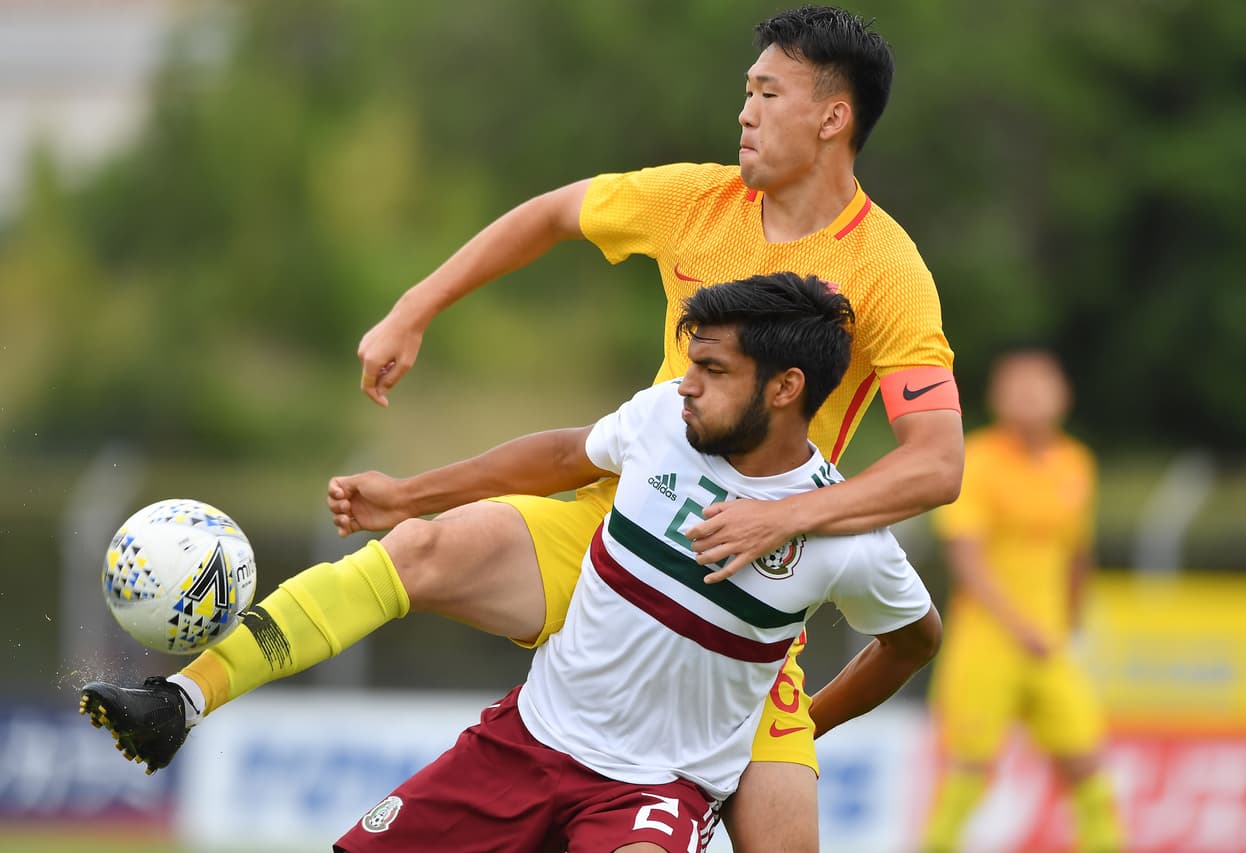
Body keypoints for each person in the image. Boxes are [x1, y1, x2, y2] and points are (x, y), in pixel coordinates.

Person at [80, 8, 963, 851]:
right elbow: (550, 216)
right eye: (746, 91)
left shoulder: (887, 271)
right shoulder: (694, 200)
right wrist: (416, 307)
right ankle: (182, 698)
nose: (745, 112)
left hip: (745, 592)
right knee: (419, 549)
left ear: (832, 117)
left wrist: (782, 522)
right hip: (617, 522)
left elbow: (936, 463)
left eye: (768, 93)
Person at [329, 273, 935, 851]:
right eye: (692, 364)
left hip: (655, 791)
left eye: (713, 370)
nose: (687, 385)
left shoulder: (847, 538)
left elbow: (915, 641)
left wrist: (808, 721)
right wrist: (408, 496)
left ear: (785, 388)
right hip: (525, 741)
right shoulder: (663, 417)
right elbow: (563, 454)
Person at [921, 348, 1124, 853]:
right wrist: (1018, 626)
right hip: (987, 641)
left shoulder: (1075, 463)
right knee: (968, 770)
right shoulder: (977, 459)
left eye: (1040, 385)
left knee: (1087, 762)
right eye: (1018, 386)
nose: (1030, 396)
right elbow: (966, 558)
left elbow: (1078, 552)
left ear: (1064, 395)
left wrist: (1073, 621)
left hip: (1050, 643)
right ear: (996, 397)